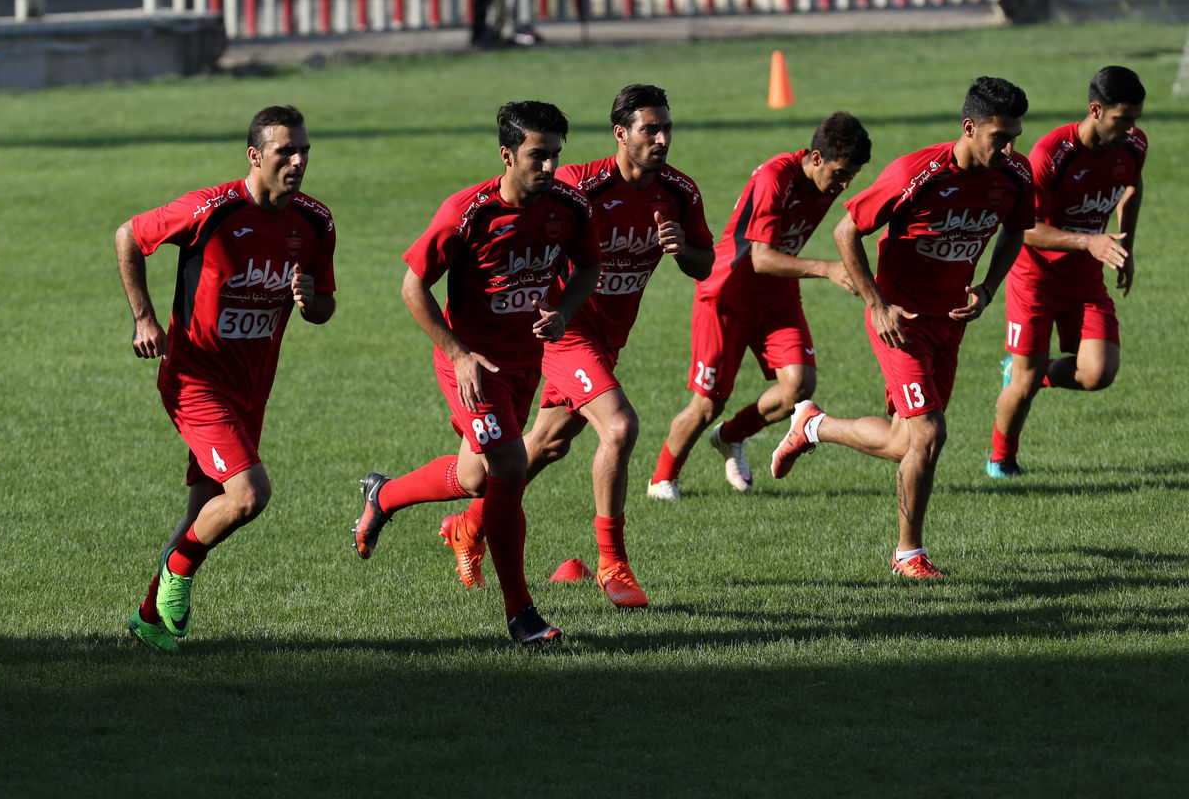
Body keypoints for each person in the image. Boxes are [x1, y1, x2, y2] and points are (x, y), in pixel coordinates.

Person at [438, 84, 714, 608]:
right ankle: (613, 563)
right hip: (561, 331)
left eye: (667, 129)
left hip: (608, 338)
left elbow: (705, 263)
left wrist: (681, 249)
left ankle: (467, 526)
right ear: (621, 134)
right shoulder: (577, 186)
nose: (661, 139)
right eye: (649, 129)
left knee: (542, 447)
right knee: (620, 426)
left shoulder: (679, 193)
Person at [352, 101, 601, 644]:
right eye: (538, 155)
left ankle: (383, 496)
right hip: (470, 367)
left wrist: (563, 312)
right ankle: (521, 614)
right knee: (510, 467)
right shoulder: (468, 213)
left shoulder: (569, 207)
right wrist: (458, 352)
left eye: (557, 155)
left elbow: (589, 268)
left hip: (522, 363)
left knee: (474, 478)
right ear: (507, 154)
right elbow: (412, 286)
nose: (550, 167)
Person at [770, 77, 1035, 579]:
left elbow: (1016, 230)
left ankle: (812, 426)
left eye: (1015, 135)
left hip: (950, 323)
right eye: (1000, 136)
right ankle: (908, 554)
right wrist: (877, 304)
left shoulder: (1015, 175)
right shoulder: (919, 173)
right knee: (930, 433)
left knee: (903, 441)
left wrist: (989, 288)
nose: (1009, 146)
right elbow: (847, 230)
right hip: (901, 323)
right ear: (969, 127)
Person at [119, 105, 337, 653]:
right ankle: (177, 571)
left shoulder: (315, 222)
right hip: (194, 379)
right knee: (247, 495)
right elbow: (128, 235)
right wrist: (144, 318)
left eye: (304, 149)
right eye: (286, 150)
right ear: (255, 156)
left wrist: (313, 302)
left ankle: (149, 620)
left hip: (251, 387)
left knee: (203, 513)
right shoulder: (210, 209)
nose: (298, 160)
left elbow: (325, 306)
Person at [647, 112, 871, 500]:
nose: (845, 183)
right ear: (816, 158)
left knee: (799, 386)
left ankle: (730, 438)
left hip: (777, 295)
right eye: (841, 172)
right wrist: (828, 269)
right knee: (706, 406)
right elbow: (761, 259)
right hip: (727, 295)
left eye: (852, 175)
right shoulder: (775, 178)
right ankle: (662, 480)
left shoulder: (827, 182)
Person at [985, 66, 1146, 478]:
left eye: (1135, 119)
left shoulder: (1133, 146)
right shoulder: (1051, 153)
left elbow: (1133, 184)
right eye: (1122, 119)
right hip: (1034, 281)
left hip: (1085, 278)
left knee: (1099, 372)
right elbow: (1026, 228)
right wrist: (1089, 241)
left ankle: (1032, 372)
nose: (1131, 129)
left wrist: (1124, 245)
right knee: (1021, 386)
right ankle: (1001, 460)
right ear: (1095, 110)